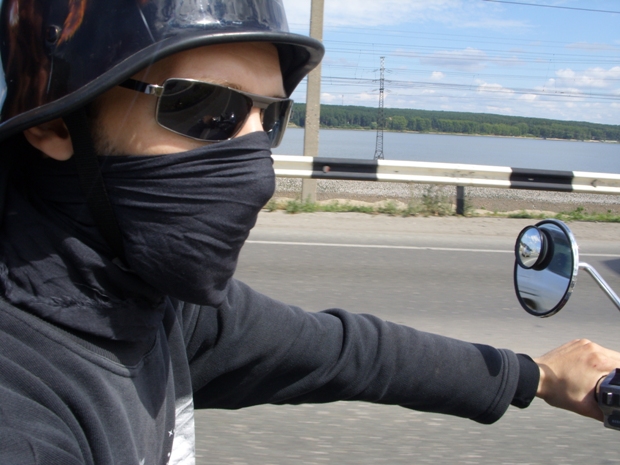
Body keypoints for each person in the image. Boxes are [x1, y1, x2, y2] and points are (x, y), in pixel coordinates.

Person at [0, 0, 618, 463]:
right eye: (205, 108)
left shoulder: (146, 306)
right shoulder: (23, 411)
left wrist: (535, 376)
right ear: (54, 123)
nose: (256, 168)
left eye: (269, 118)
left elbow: (347, 352)